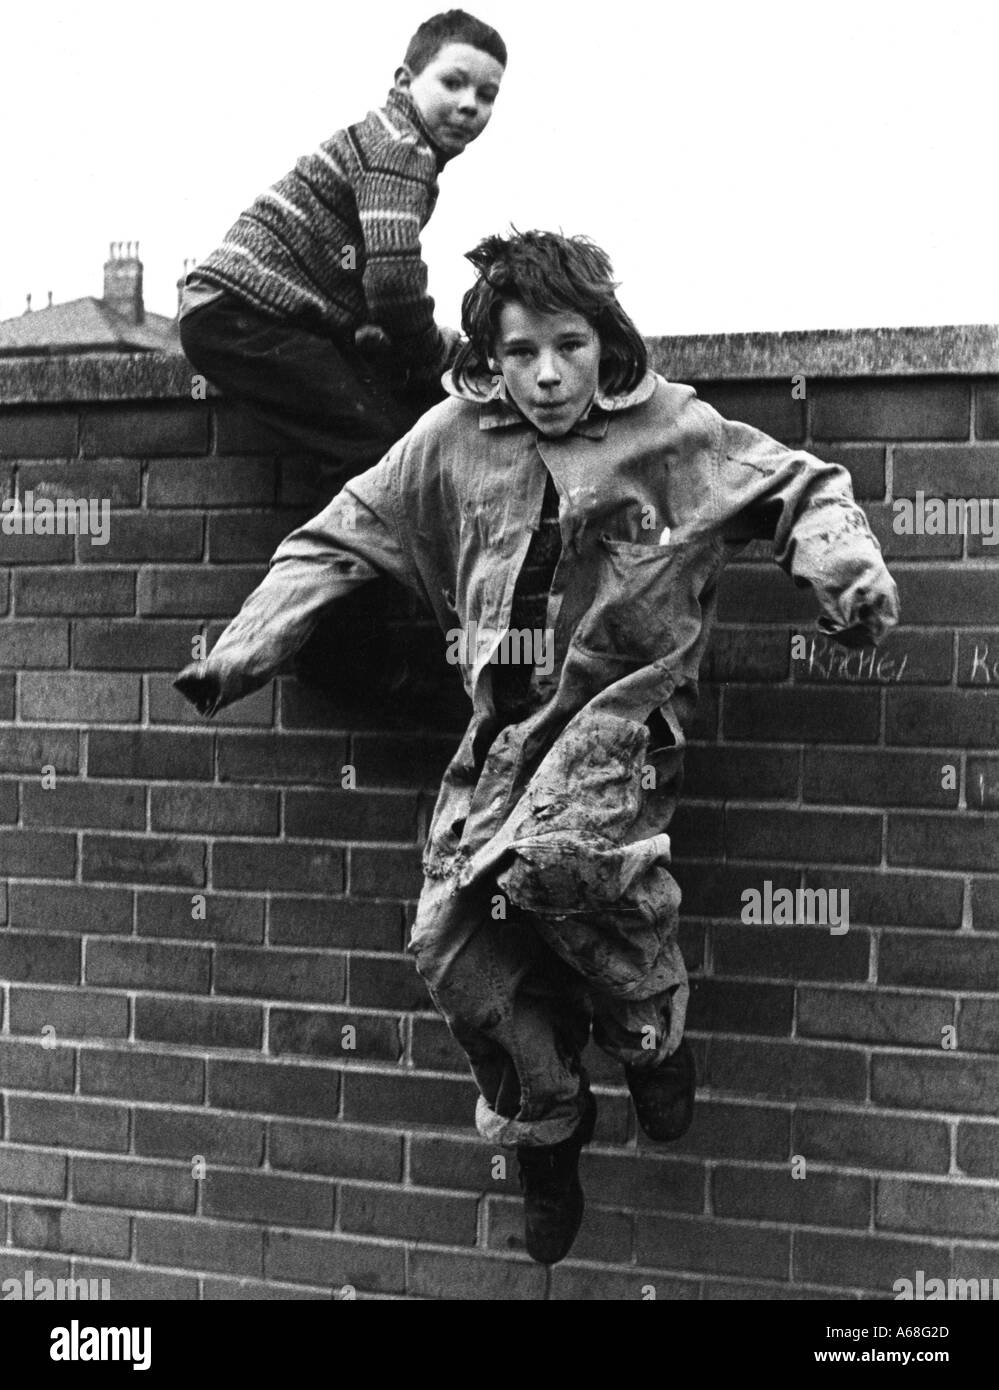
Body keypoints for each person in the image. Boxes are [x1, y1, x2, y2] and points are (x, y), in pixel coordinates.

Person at [174, 230, 900, 1266]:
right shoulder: (447, 441)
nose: (549, 375)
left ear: (606, 341)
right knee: (448, 944)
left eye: (570, 345)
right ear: (490, 357)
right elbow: (338, 534)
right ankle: (551, 1127)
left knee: (565, 849)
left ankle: (651, 1033)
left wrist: (847, 573)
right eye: (522, 353)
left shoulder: (674, 430)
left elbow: (804, 486)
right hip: (501, 737)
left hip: (622, 721)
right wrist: (245, 646)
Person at [178, 10, 506, 479]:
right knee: (369, 449)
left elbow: (361, 278)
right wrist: (435, 353)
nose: (470, 104)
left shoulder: (384, 138)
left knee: (388, 425)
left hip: (245, 312)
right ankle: (327, 554)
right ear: (405, 80)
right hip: (243, 317)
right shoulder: (401, 149)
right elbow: (393, 283)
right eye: (452, 83)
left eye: (486, 95)